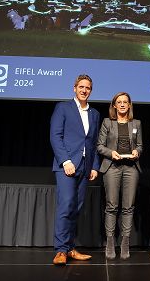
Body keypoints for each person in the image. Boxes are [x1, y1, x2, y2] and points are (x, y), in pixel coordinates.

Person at [50, 74, 100, 265]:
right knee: (66, 205)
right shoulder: (63, 108)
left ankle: (70, 248)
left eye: (87, 87)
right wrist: (65, 161)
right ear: (74, 88)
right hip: (67, 166)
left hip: (85, 168)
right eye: (81, 87)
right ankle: (60, 250)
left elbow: (93, 143)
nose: (84, 90)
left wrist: (94, 166)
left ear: (90, 90)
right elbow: (56, 136)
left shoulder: (94, 114)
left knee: (76, 209)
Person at [97, 92, 143, 260]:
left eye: (125, 102)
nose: (123, 104)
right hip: (112, 167)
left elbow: (140, 145)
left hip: (131, 168)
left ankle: (125, 242)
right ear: (114, 105)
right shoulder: (107, 122)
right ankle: (110, 243)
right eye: (119, 102)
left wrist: (137, 151)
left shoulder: (136, 123)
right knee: (111, 206)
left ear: (129, 105)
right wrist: (111, 153)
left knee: (128, 207)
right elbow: (100, 146)